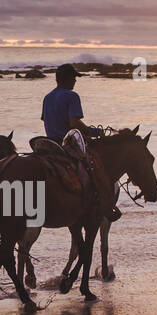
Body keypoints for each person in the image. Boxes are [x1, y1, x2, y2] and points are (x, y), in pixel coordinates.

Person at [40, 65, 120, 221]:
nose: (75, 80)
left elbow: (47, 120)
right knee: (95, 166)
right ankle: (105, 204)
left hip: (49, 142)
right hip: (67, 144)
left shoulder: (47, 97)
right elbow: (74, 122)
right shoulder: (71, 96)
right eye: (74, 77)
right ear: (68, 79)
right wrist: (94, 132)